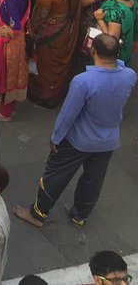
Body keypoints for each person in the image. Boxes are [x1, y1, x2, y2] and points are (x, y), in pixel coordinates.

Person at [14, 32, 138, 229]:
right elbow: (120, 67)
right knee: (93, 179)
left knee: (55, 175)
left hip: (78, 140)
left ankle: (38, 214)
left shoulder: (83, 81)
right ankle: (79, 215)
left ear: (93, 50)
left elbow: (68, 114)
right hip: (108, 140)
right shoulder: (129, 76)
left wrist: (56, 137)